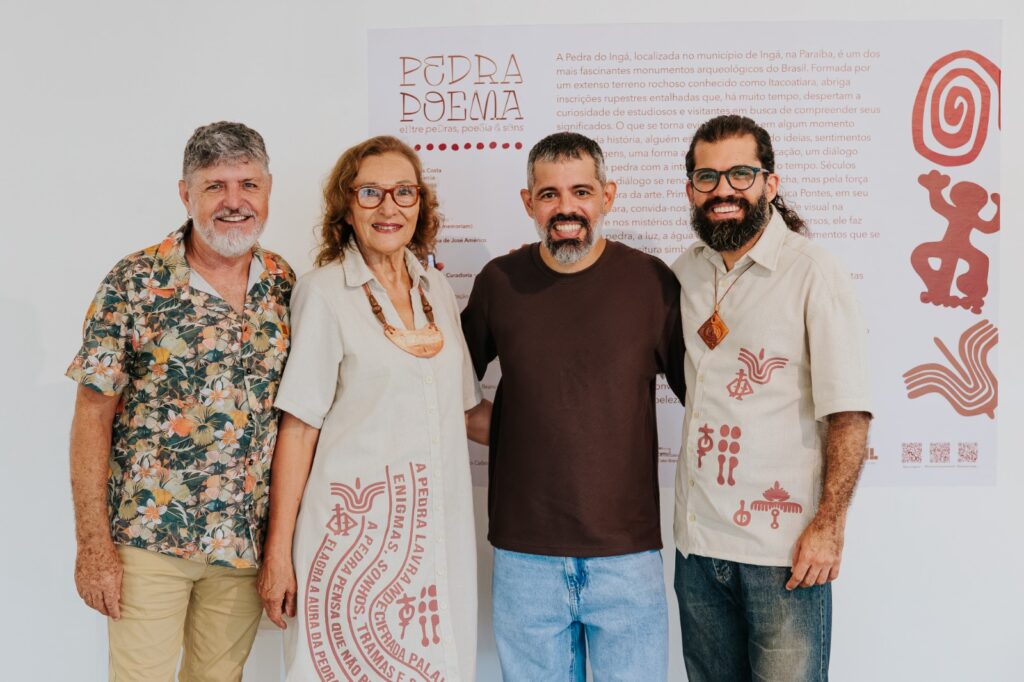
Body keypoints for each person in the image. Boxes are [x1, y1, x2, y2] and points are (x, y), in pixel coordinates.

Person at [67, 121, 294, 680]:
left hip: (243, 546)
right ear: (185, 194)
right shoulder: (135, 281)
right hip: (148, 542)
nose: (234, 201)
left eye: (248, 184)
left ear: (268, 189)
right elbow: (92, 416)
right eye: (215, 186)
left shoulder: (284, 284)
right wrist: (93, 546)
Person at [257, 136, 485, 681]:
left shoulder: (437, 289)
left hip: (436, 540)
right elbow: (298, 429)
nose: (389, 207)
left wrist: (565, 427)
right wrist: (278, 554)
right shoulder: (323, 293)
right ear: (346, 206)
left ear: (421, 204)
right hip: (350, 544)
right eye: (370, 193)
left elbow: (463, 412)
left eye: (404, 192)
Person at [461, 131, 686, 681]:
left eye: (581, 192)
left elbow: (701, 396)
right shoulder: (499, 283)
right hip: (524, 556)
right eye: (549, 194)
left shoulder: (651, 281)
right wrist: (510, 430)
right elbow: (446, 387)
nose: (566, 209)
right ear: (528, 202)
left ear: (608, 196)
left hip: (627, 555)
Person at [671, 114, 872, 682]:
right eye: (708, 177)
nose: (724, 190)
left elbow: (849, 411)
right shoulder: (685, 273)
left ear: (770, 183)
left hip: (784, 554)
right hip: (698, 549)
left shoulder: (812, 272)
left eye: (741, 174)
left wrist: (829, 526)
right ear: (691, 190)